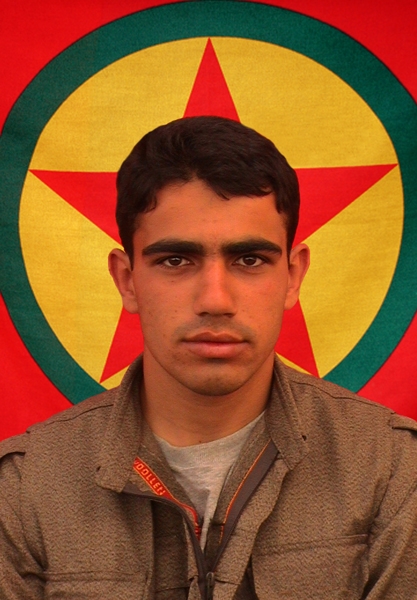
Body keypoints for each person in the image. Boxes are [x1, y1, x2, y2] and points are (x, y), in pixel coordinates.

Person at [0, 116, 416, 600]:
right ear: (127, 280)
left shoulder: (391, 469)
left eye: (249, 260)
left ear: (293, 275)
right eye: (176, 261)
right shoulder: (26, 489)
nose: (215, 300)